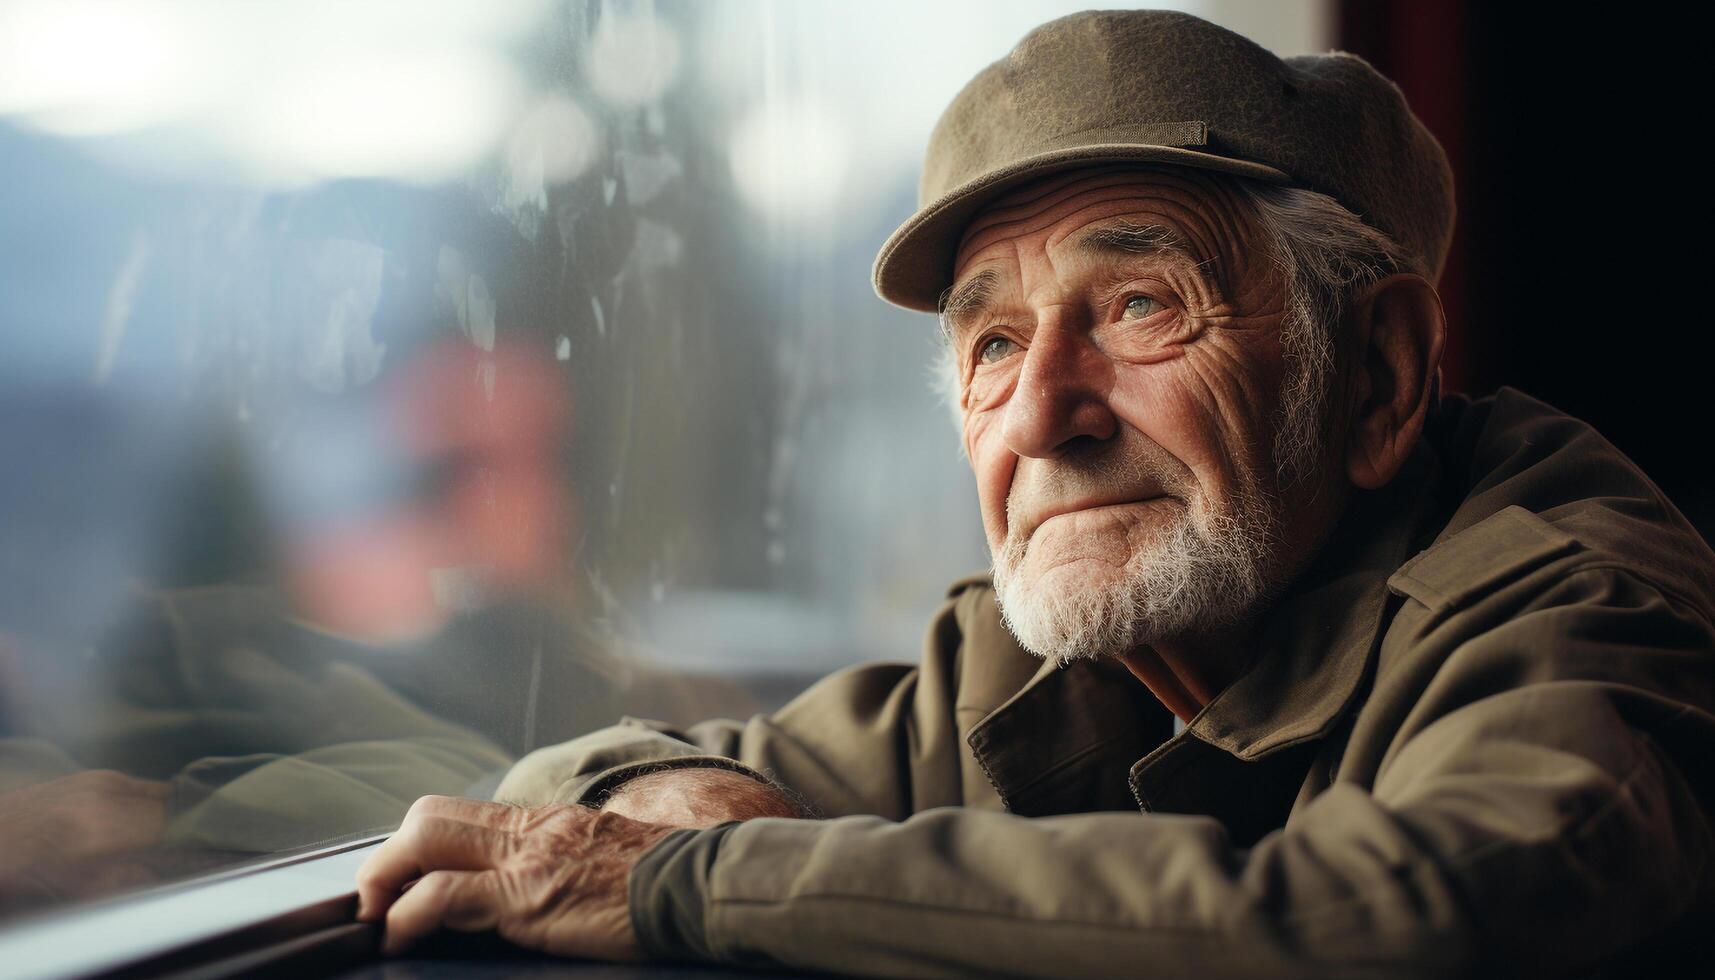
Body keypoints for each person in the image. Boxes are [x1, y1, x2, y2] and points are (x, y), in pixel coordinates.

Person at [355, 10, 1715, 975]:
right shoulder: (1060, 640)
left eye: (1137, 306)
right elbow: (567, 790)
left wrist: (699, 882)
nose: (1044, 419)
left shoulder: (1578, 602)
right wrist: (671, 805)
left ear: (1377, 378)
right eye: (992, 344)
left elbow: (1401, 917)